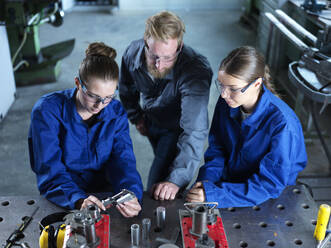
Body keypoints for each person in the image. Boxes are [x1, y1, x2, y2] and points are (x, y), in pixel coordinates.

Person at [28, 42, 143, 217]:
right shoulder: (47, 111)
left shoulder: (116, 111)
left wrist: (131, 193)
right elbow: (50, 169)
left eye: (108, 97)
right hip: (63, 195)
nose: (100, 105)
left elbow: (123, 160)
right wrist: (78, 199)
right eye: (93, 96)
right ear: (78, 83)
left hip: (107, 195)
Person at [186, 46, 307, 208]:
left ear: (257, 83)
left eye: (233, 89)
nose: (223, 94)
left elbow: (270, 184)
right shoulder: (227, 103)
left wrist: (215, 194)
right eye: (221, 85)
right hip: (230, 187)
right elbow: (218, 149)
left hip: (268, 196)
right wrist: (207, 183)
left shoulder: (283, 124)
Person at [119, 11, 213, 201]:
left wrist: (176, 181)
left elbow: (194, 130)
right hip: (151, 121)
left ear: (179, 46)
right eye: (154, 56)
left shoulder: (195, 71)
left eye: (168, 57)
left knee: (158, 189)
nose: (160, 65)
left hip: (177, 131)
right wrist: (136, 116)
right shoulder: (132, 53)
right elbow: (126, 87)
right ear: (145, 41)